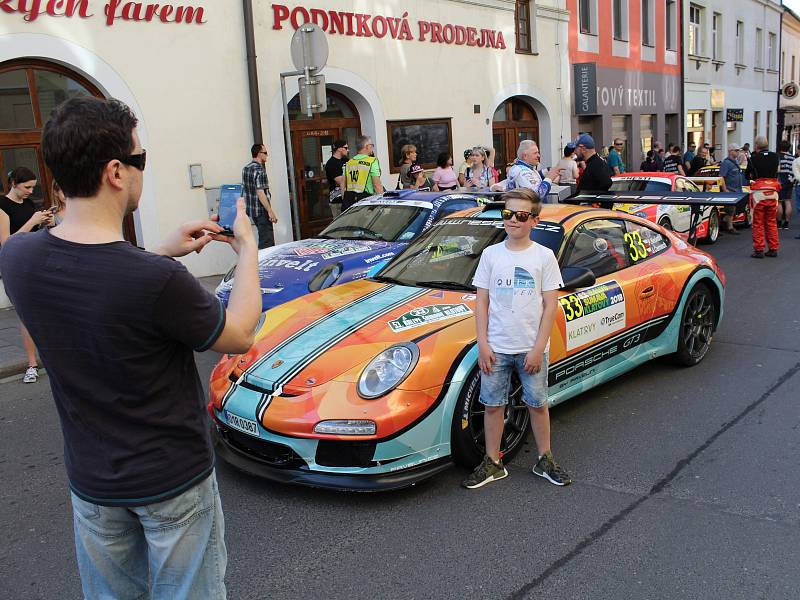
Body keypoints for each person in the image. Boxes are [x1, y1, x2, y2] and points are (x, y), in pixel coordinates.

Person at [0, 96, 262, 599]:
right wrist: (248, 249)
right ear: (116, 171)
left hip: (93, 483)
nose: (143, 170)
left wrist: (160, 250)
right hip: (173, 482)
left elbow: (92, 276)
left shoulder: (19, 258)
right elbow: (240, 332)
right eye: (141, 160)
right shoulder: (155, 281)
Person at [463, 187, 571, 489]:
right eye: (507, 213)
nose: (512, 220)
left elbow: (551, 305)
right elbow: (481, 302)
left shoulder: (544, 256)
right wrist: (482, 344)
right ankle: (493, 462)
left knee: (537, 404)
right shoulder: (490, 255)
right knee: (493, 405)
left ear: (534, 220)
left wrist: (538, 349)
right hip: (496, 348)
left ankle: (544, 459)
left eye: (521, 215)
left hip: (531, 350)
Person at [0, 167, 54, 383]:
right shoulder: (2, 206)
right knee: (26, 314)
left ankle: (52, 358)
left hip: (36, 262)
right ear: (14, 184)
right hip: (15, 265)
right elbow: (6, 242)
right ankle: (32, 364)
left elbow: (35, 236)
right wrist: (32, 221)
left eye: (33, 186)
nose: (31, 191)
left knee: (47, 312)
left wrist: (45, 224)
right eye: (27, 187)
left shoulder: (30, 205)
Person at [748, 135, 780, 258]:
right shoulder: (775, 157)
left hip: (759, 192)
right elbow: (777, 171)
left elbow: (748, 175)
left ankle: (759, 249)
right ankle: (773, 248)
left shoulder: (754, 158)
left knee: (758, 222)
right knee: (771, 221)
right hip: (773, 191)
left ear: (756, 145)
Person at [242, 143, 278, 249]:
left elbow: (247, 190)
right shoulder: (260, 171)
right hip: (262, 211)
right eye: (265, 153)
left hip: (253, 212)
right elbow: (260, 192)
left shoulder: (246, 169)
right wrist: (270, 211)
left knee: (262, 238)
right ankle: (263, 264)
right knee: (267, 242)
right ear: (259, 154)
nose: (267, 155)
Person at [342, 135, 383, 210]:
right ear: (367, 146)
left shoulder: (349, 162)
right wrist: (381, 204)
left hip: (350, 201)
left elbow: (343, 185)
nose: (372, 148)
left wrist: (344, 200)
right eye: (372, 145)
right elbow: (377, 186)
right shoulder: (372, 161)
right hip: (366, 200)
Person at [574, 134, 613, 205]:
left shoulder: (596, 163)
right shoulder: (593, 162)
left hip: (595, 212)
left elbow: (607, 182)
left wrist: (594, 200)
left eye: (575, 149)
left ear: (583, 149)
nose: (574, 152)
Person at [719, 144, 747, 234]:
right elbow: (721, 177)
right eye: (736, 150)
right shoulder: (726, 163)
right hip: (730, 190)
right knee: (730, 210)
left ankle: (725, 222)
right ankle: (730, 227)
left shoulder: (736, 162)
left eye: (738, 150)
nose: (738, 152)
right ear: (731, 151)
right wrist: (725, 190)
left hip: (737, 190)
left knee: (734, 210)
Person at [324, 139, 348, 218]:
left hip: (348, 198)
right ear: (339, 149)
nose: (348, 150)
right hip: (337, 201)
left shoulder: (346, 160)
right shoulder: (331, 164)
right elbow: (341, 181)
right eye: (346, 148)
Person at [777, 140, 794, 230]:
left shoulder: (778, 156)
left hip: (781, 179)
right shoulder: (792, 157)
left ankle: (779, 222)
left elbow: (778, 170)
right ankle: (786, 223)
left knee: (779, 201)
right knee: (788, 201)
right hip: (790, 179)